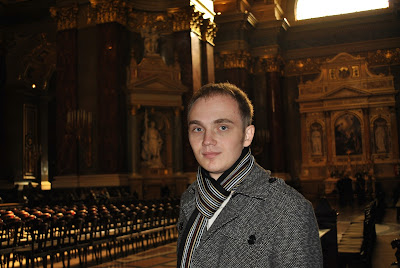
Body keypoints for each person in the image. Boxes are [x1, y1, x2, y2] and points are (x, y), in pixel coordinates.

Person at [176, 82, 323, 268]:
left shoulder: (289, 209)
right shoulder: (190, 198)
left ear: (247, 135)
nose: (207, 141)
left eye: (222, 127)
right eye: (198, 129)